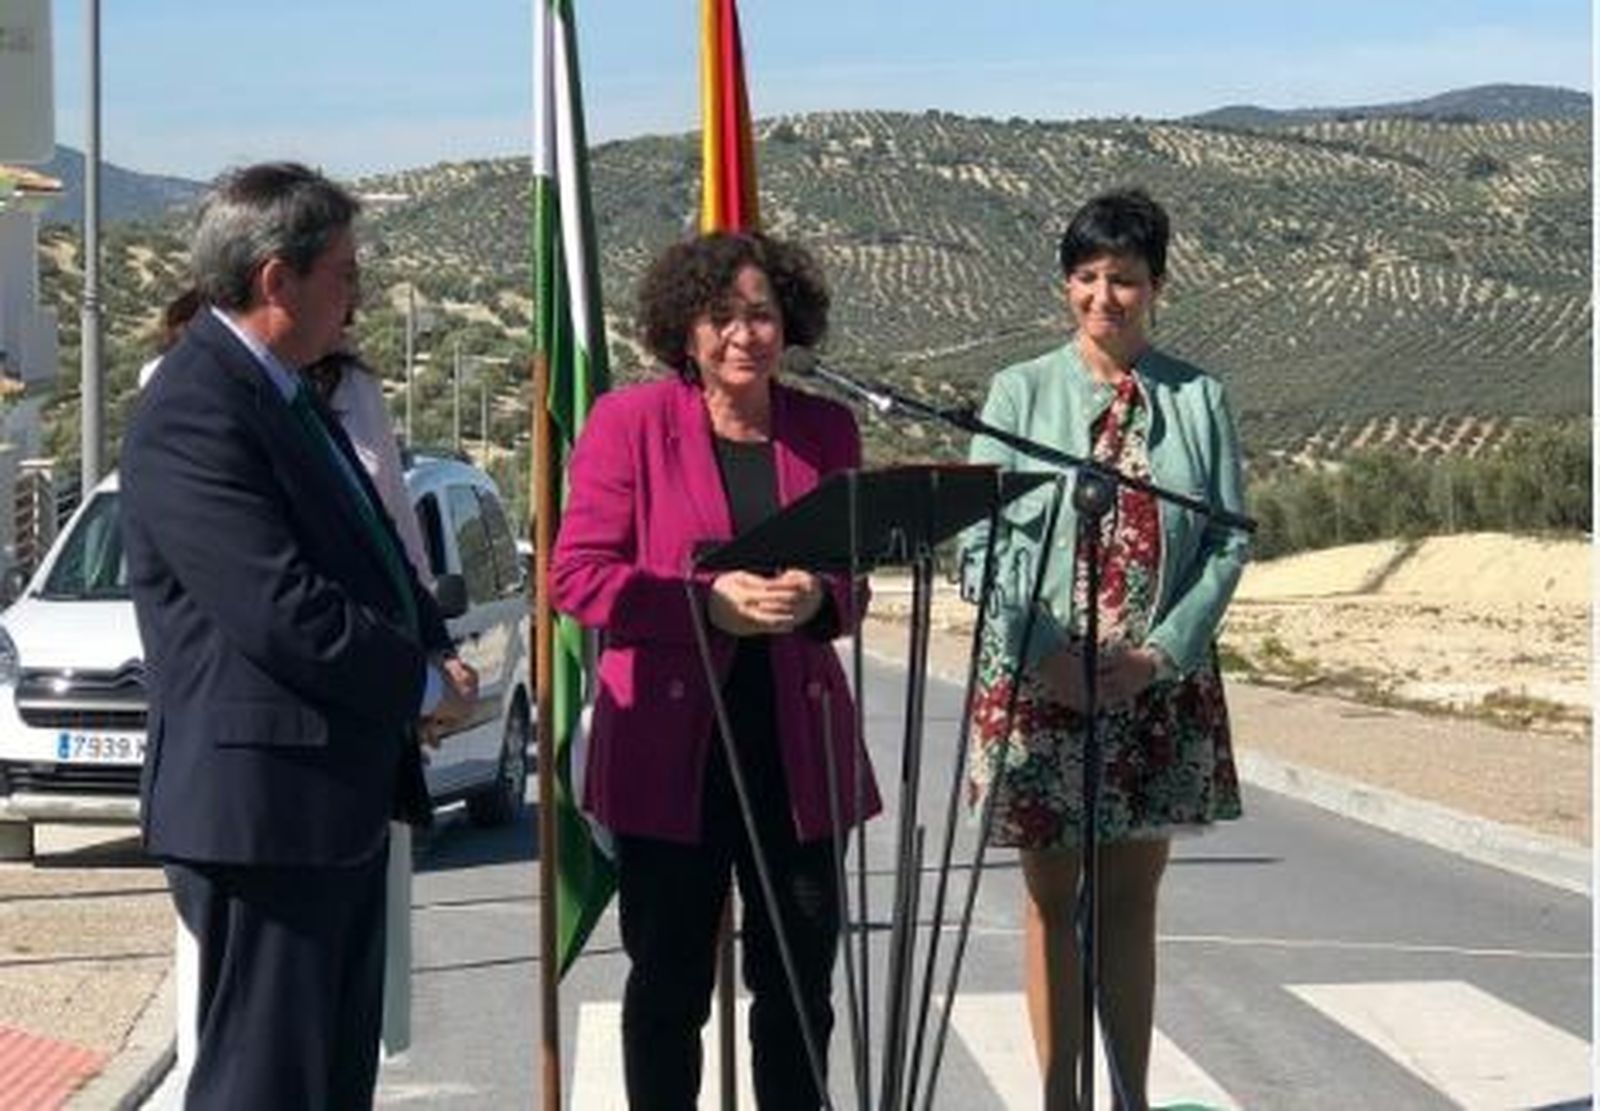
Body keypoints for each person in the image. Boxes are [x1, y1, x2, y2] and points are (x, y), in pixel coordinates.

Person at [120, 161, 475, 1110]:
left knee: (324, 1082)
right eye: (345, 274)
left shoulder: (284, 393)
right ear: (278, 281)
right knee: (264, 1084)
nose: (357, 299)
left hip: (323, 803)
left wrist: (431, 643)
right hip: (263, 810)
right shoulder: (197, 407)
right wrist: (420, 687)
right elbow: (283, 609)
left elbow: (374, 546)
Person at [550, 230, 880, 1110]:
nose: (745, 334)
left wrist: (819, 595)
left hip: (795, 751)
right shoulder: (629, 423)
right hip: (671, 755)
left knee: (800, 989)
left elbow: (854, 579)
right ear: (685, 331)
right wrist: (704, 604)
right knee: (667, 990)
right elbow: (576, 577)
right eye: (723, 316)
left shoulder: (826, 429)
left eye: (762, 314)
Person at [961, 187, 1249, 1111]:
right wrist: (1046, 652)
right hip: (1041, 685)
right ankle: (1060, 1099)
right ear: (1064, 288)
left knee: (1131, 902)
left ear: (1156, 285)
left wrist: (1159, 653)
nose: (1102, 297)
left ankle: (1129, 1096)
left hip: (1152, 690)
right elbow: (981, 544)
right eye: (1085, 278)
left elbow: (1229, 538)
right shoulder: (1018, 393)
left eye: (1122, 279)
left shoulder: (1200, 399)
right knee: (1051, 902)